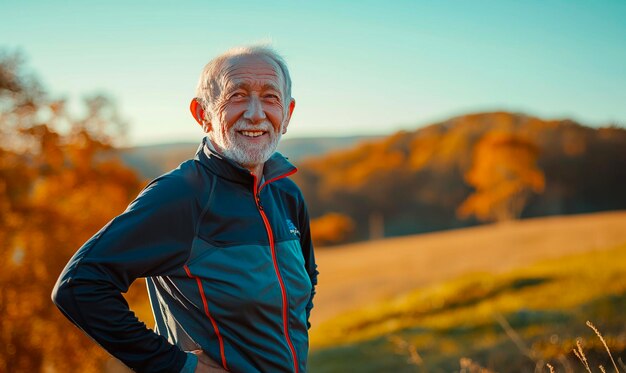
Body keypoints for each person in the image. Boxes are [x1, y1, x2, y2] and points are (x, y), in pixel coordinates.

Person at [52, 46, 318, 373]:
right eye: (237, 95)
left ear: (287, 114)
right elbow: (79, 285)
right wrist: (177, 366)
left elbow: (307, 279)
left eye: (270, 97)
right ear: (202, 114)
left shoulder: (286, 192)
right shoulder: (180, 195)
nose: (255, 113)